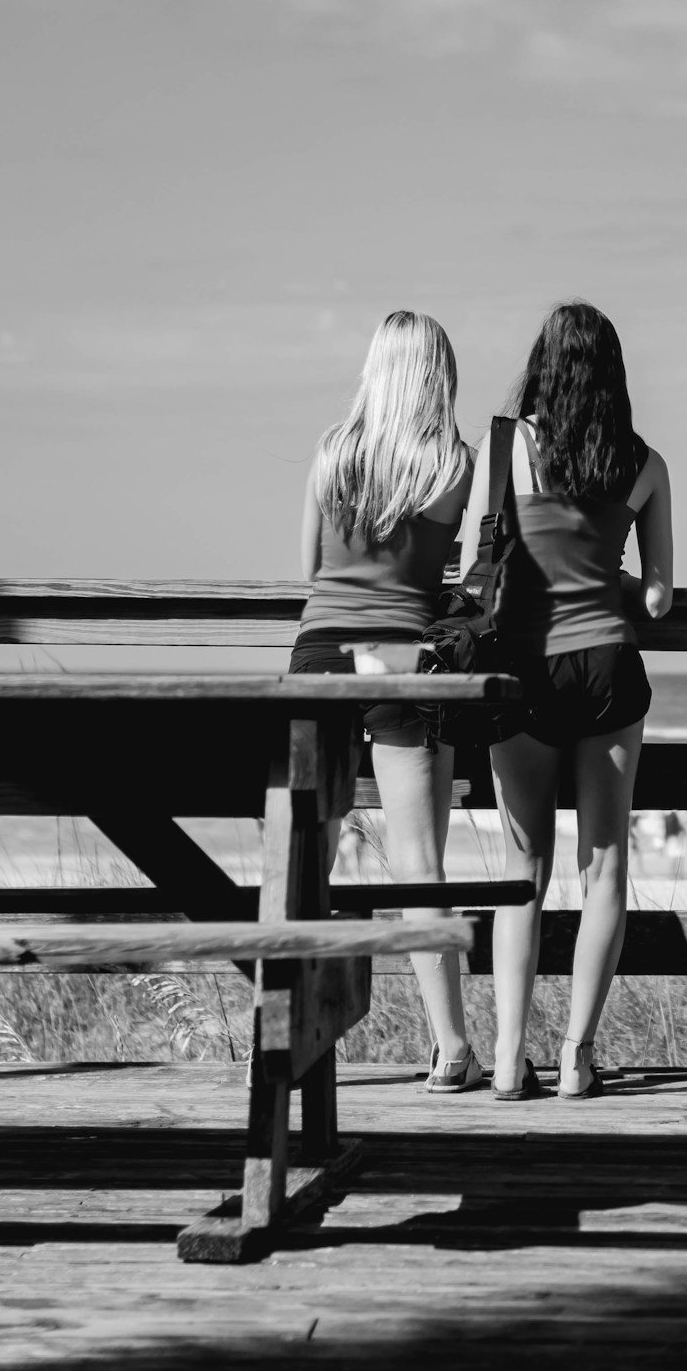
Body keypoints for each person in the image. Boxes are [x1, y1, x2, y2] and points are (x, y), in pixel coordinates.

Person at [487, 302, 674, 1100]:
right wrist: (612, 578)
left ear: (541, 365)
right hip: (607, 667)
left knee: (520, 871)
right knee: (604, 869)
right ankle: (576, 1057)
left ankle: (504, 1057)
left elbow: (478, 567)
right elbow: (660, 598)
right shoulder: (644, 462)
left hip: (524, 671)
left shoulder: (508, 444)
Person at [291, 310, 480, 1091]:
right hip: (400, 655)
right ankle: (451, 1046)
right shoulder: (451, 463)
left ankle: (285, 1035)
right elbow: (444, 575)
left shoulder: (332, 451)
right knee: (419, 861)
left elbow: (309, 565)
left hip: (319, 651)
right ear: (437, 374)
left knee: (308, 852)